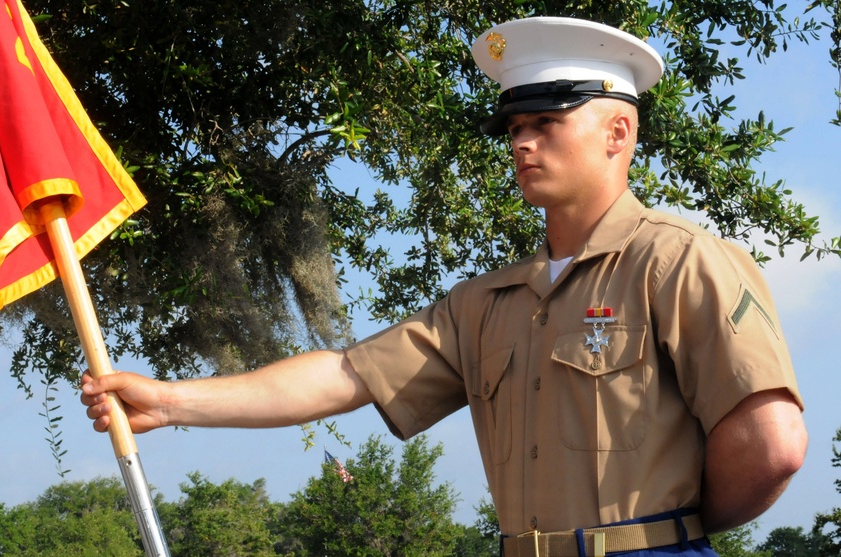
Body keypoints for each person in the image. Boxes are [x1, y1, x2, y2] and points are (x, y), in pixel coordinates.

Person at [81, 16, 807, 556]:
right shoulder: (486, 304)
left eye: (547, 122)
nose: (522, 142)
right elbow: (345, 375)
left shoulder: (677, 262)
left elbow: (772, 441)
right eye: (516, 125)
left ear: (619, 132)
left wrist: (668, 527)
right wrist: (170, 400)